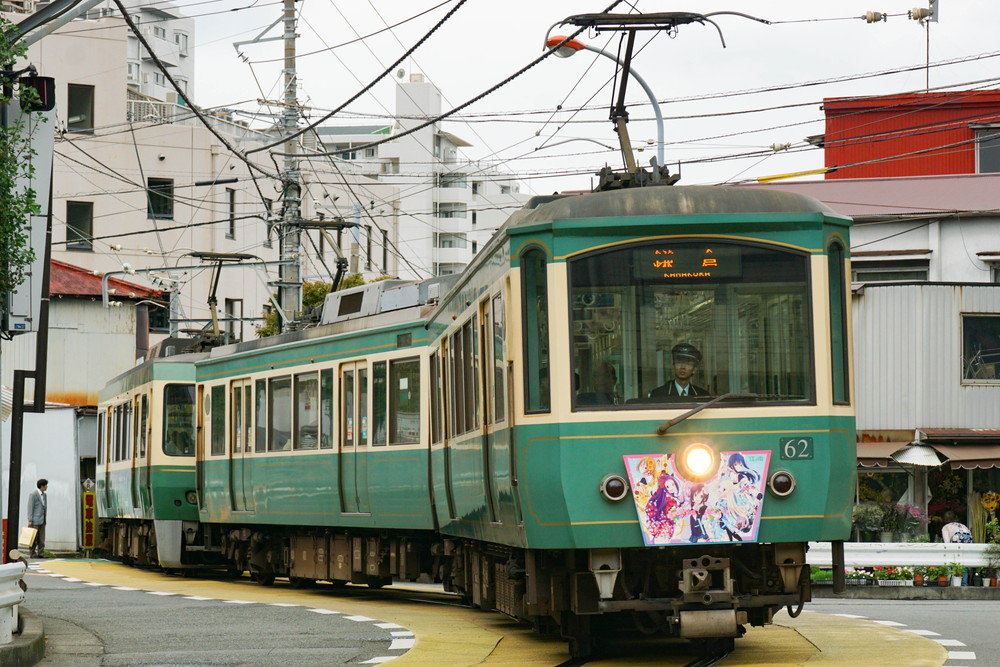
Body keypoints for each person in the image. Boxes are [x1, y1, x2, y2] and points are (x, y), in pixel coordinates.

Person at [941, 511, 974, 585]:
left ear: (945, 519)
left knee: (954, 562)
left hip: (956, 540)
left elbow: (947, 543)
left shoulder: (946, 527)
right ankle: (964, 583)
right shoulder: (963, 526)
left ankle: (953, 582)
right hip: (967, 541)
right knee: (964, 563)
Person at [27, 479, 48, 558]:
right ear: (42, 486)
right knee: (33, 538)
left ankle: (41, 553)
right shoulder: (33, 494)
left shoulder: (44, 495)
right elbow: (30, 507)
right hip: (35, 521)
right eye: (46, 485)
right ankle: (32, 553)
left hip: (42, 520)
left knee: (41, 538)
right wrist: (30, 520)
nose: (46, 487)